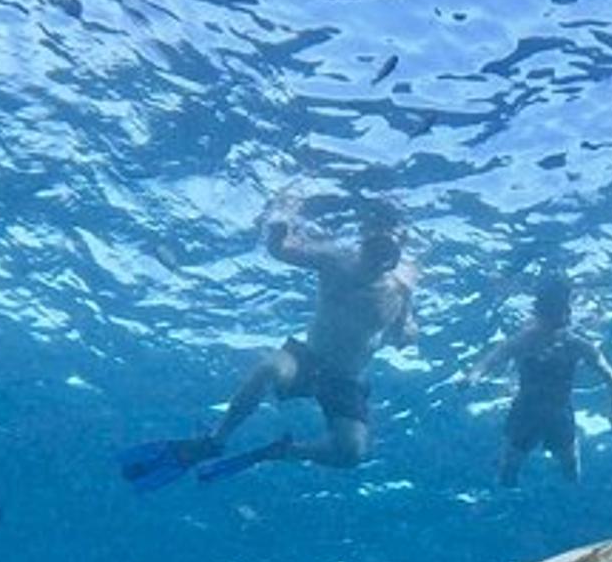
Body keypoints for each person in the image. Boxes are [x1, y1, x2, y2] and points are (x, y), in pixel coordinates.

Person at [120, 193, 417, 490]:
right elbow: (281, 251)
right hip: (308, 357)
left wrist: (406, 331)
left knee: (351, 453)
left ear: (397, 250)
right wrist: (281, 220)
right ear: (363, 240)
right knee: (268, 368)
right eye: (372, 248)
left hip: (347, 377)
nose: (375, 261)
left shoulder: (403, 286)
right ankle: (216, 440)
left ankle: (283, 452)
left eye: (385, 254)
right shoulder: (334, 260)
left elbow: (403, 329)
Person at [466, 270, 612, 485]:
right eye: (549, 315)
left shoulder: (575, 344)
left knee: (570, 471)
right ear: (539, 313)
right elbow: (490, 360)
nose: (552, 324)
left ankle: (565, 501)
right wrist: (473, 376)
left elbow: (610, 377)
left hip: (555, 413)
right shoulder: (525, 340)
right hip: (527, 412)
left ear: (565, 313)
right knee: (508, 472)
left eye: (558, 314)